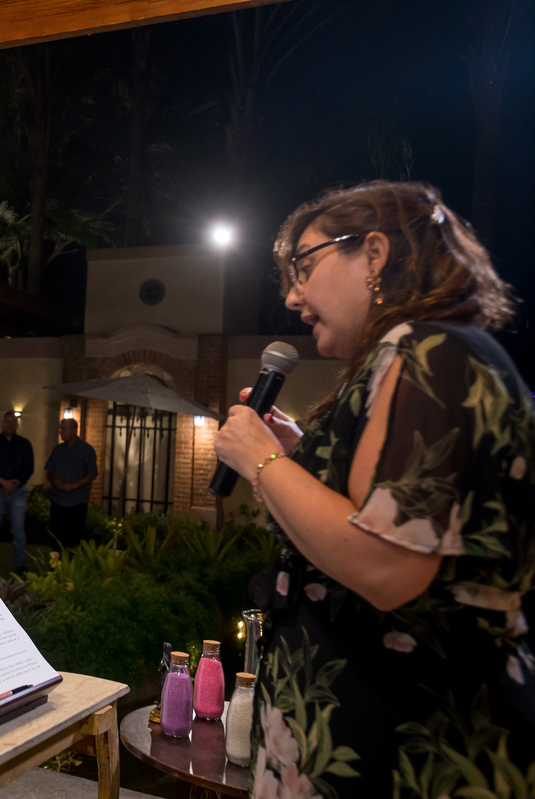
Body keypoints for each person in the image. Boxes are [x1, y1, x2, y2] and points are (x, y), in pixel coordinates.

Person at [213, 181, 533, 798]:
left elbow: (386, 565)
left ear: (375, 254)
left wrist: (261, 461)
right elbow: (373, 511)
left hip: (412, 742)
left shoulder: (430, 351)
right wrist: (296, 456)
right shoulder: (418, 355)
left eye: (305, 266)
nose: (292, 296)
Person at [0, 410, 35, 572]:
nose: (10, 425)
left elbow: (29, 468)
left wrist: (15, 484)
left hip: (18, 492)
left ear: (17, 425)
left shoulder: (25, 444)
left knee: (18, 530)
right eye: (7, 422)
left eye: (13, 422)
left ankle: (20, 564)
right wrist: (3, 482)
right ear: (2, 424)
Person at [44, 418, 97, 549]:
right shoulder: (57, 450)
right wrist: (55, 482)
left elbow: (92, 474)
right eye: (60, 429)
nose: (61, 432)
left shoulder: (87, 450)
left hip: (77, 501)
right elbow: (49, 472)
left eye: (64, 429)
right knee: (56, 538)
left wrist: (74, 485)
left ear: (73, 431)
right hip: (58, 500)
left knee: (73, 539)